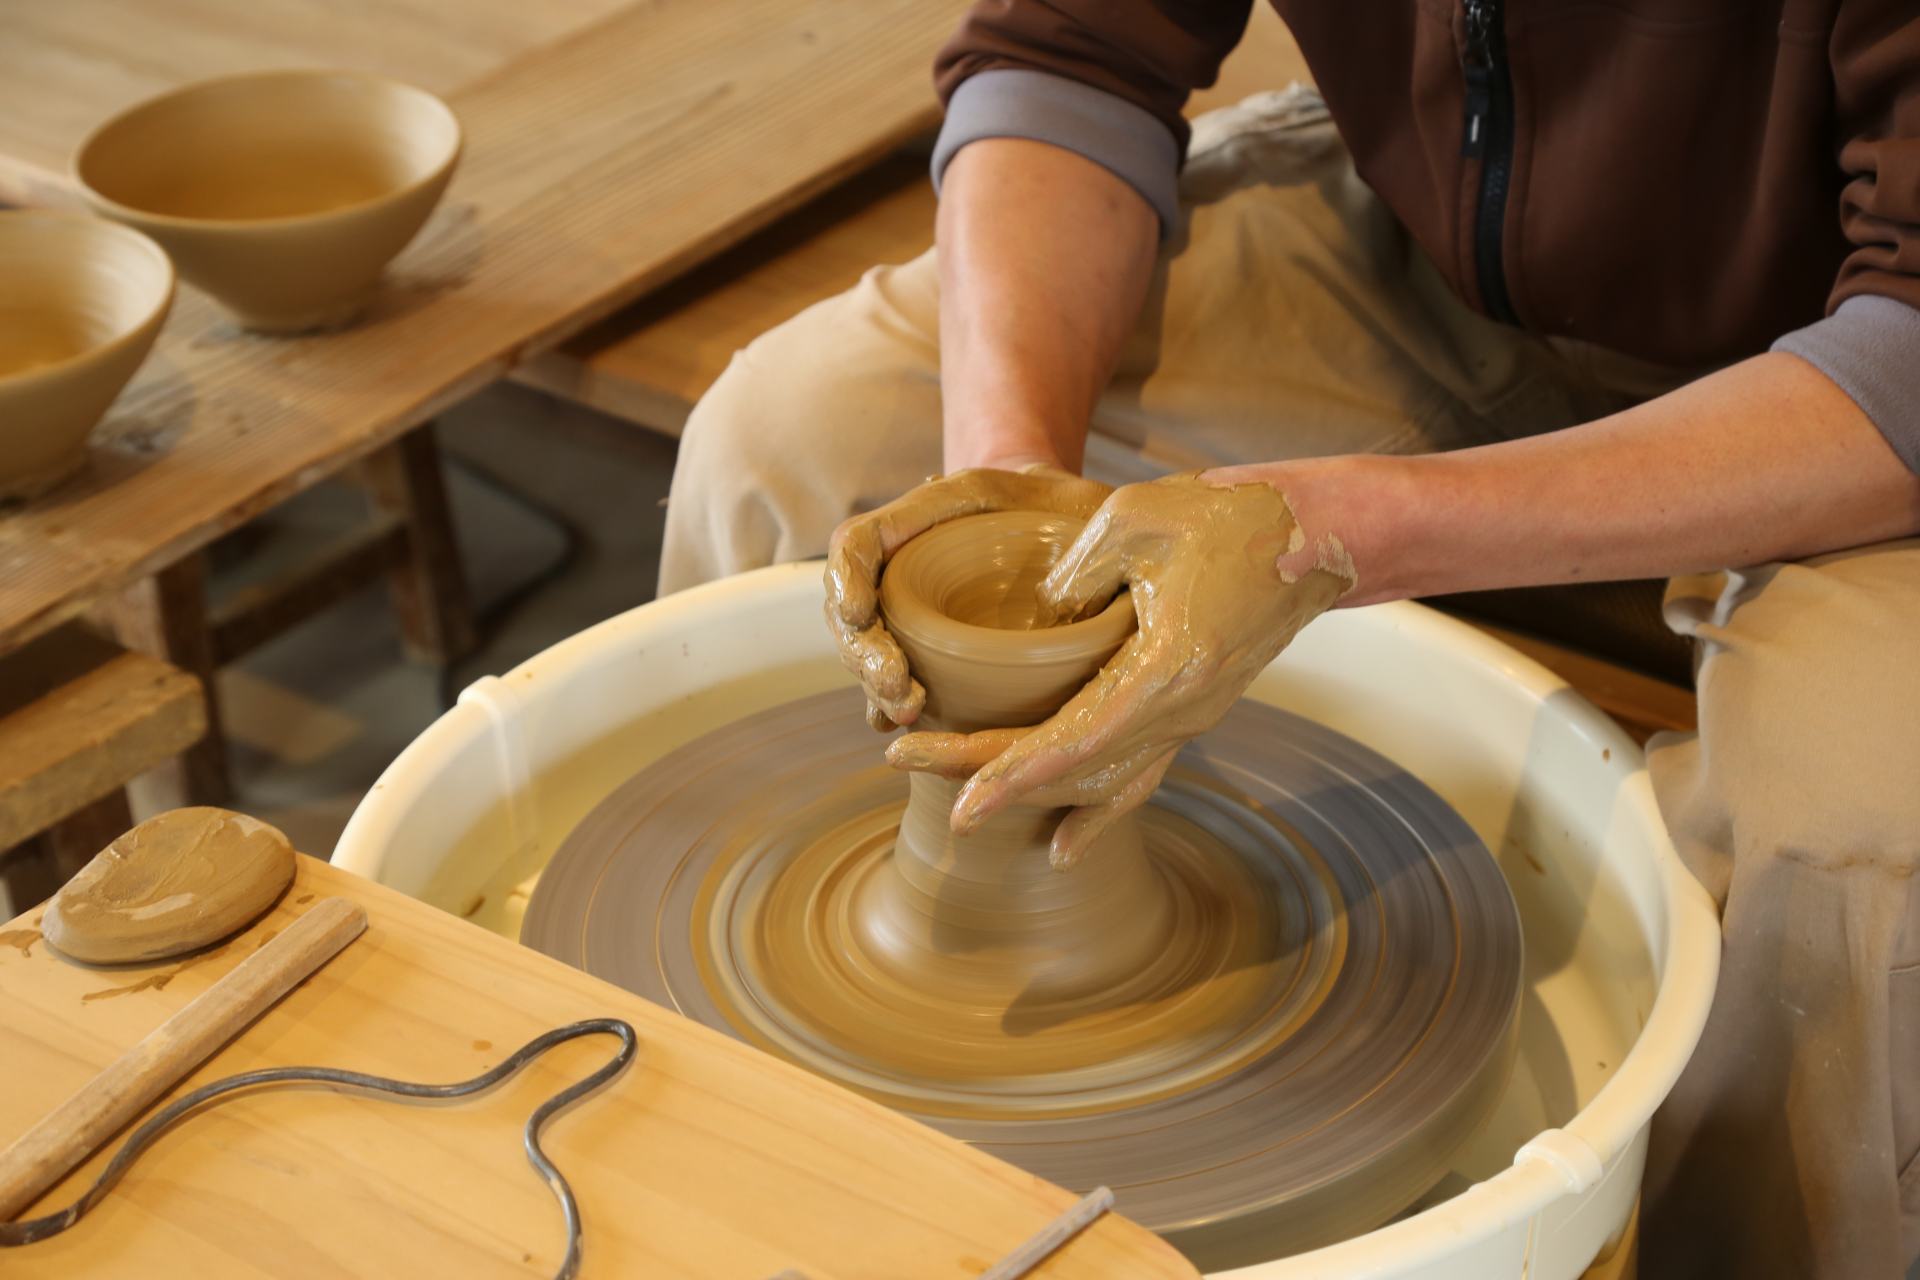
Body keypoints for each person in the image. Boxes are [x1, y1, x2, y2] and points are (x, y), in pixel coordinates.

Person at [659, 4, 1920, 1275]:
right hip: (1435, 241)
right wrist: (1016, 493)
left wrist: (1334, 532)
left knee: (1861, 828)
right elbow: (1073, 51)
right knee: (789, 445)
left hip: (1856, 353)